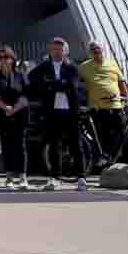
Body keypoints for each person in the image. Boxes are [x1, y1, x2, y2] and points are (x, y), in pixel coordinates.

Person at [28, 37, 86, 191]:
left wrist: (51, 84)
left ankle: (81, 177)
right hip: (52, 111)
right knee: (54, 144)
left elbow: (71, 85)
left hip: (71, 111)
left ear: (65, 51)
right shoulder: (44, 66)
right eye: (54, 49)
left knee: (76, 144)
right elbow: (31, 79)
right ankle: (55, 177)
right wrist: (51, 85)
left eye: (59, 49)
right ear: (50, 51)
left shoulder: (72, 67)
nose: (56, 51)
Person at [78, 40, 128, 167]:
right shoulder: (83, 67)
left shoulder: (113, 64)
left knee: (123, 136)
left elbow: (121, 83)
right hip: (97, 108)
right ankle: (106, 165)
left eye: (97, 48)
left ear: (102, 50)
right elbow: (77, 84)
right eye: (92, 49)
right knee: (103, 138)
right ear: (89, 52)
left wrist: (126, 99)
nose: (95, 51)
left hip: (116, 106)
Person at [0, 46, 31, 189]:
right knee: (6, 146)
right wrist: (6, 108)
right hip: (1, 116)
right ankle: (9, 177)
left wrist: (14, 109)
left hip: (20, 115)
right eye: (0, 58)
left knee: (20, 146)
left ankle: (23, 177)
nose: (3, 60)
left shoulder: (21, 75)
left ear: (12, 59)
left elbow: (27, 96)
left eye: (6, 57)